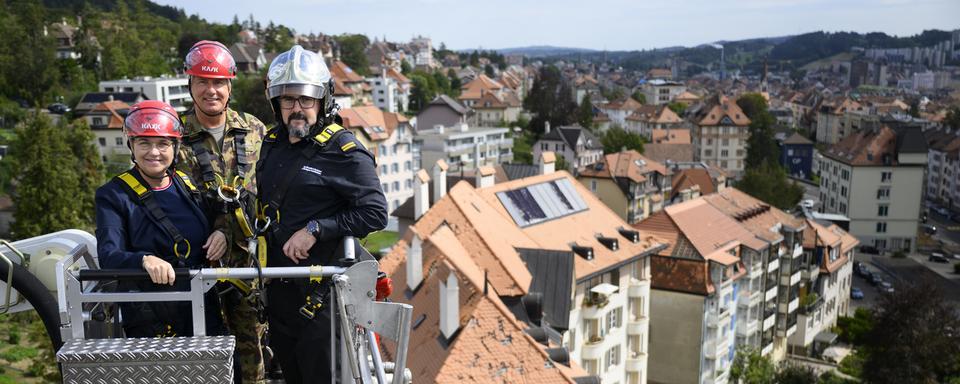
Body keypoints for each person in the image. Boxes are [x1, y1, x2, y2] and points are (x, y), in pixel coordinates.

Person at [256, 45, 387, 383]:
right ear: (276, 104)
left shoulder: (344, 151)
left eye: (305, 99)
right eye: (288, 100)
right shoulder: (272, 144)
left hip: (323, 298)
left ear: (322, 101)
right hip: (280, 291)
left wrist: (317, 228)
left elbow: (374, 213)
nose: (296, 109)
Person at [94, 100, 228, 338]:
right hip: (153, 316)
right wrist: (143, 260)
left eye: (163, 143)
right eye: (144, 142)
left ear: (175, 147)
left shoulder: (185, 184)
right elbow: (108, 255)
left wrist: (221, 234)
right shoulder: (113, 195)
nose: (154, 152)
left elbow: (209, 223)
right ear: (131, 145)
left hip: (202, 305)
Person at [178, 40, 268, 384]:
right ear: (190, 85)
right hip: (200, 262)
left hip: (248, 264)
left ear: (230, 85)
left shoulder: (254, 130)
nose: (210, 90)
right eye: (202, 81)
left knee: (252, 351)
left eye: (218, 82)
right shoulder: (176, 138)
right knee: (202, 351)